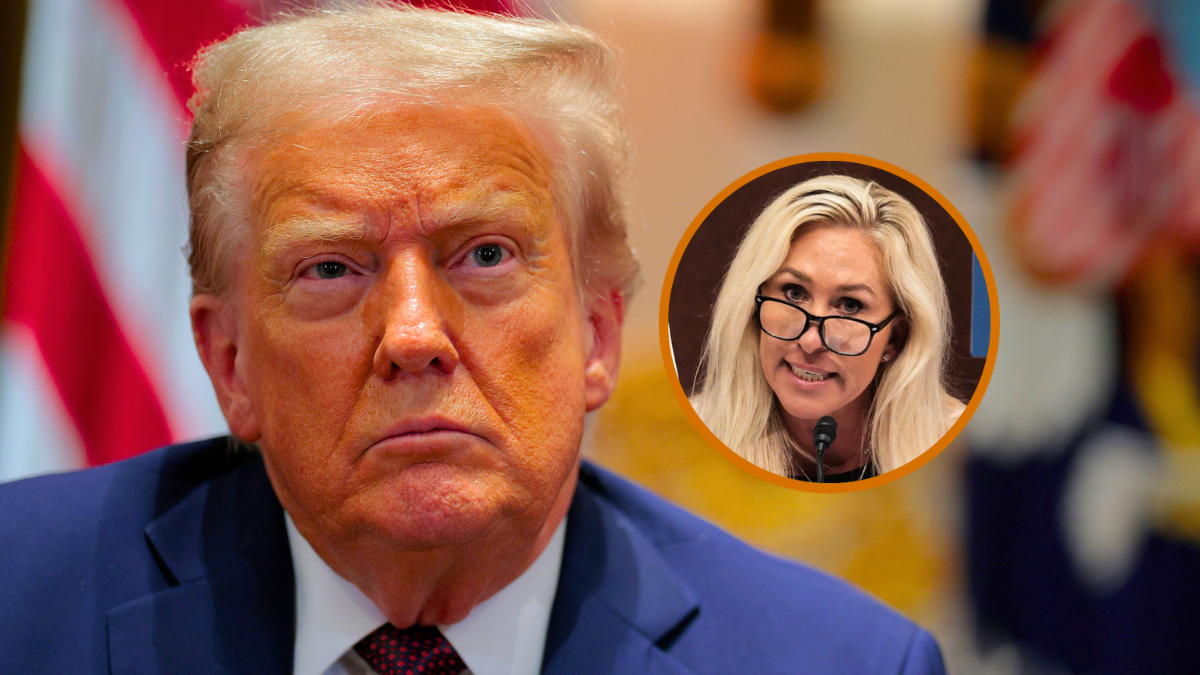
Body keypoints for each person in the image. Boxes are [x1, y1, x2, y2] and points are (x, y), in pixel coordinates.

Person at [0, 7, 947, 674]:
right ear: (229, 362)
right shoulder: (19, 600)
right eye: (331, 269)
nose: (413, 336)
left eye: (485, 254)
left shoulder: (837, 661)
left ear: (596, 332)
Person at [691, 175, 965, 482]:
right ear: (753, 307)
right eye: (794, 293)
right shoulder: (689, 436)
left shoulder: (956, 450)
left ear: (895, 337)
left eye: (849, 305)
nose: (810, 342)